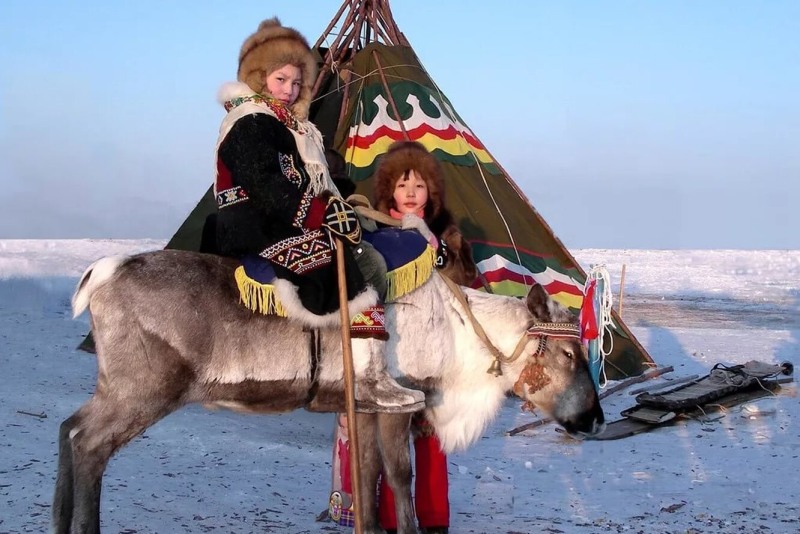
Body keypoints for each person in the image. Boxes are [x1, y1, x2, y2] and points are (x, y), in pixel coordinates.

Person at [213, 17, 424, 413]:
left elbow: (307, 180)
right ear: (259, 77)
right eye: (281, 79)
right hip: (256, 223)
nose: (289, 90)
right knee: (361, 261)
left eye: (297, 83)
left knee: (369, 247)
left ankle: (358, 364)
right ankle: (368, 377)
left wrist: (341, 204)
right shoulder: (249, 121)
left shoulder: (291, 126)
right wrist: (320, 213)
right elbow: (264, 183)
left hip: (283, 219)